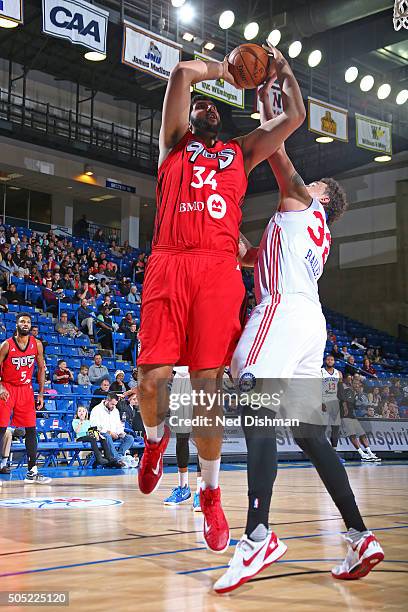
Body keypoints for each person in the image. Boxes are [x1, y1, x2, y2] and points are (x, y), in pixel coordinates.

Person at [214, 77, 384, 593]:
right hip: (310, 322)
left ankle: (258, 533)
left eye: (321, 185)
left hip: (284, 312)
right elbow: (251, 258)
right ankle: (359, 535)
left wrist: (271, 101)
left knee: (250, 393)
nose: (314, 182)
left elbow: (277, 151)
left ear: (324, 201)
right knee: (309, 433)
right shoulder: (302, 225)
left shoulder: (301, 202)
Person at [136, 42, 306, 553]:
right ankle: (153, 440)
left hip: (216, 270)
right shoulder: (173, 145)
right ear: (190, 116)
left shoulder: (240, 152)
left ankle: (210, 494)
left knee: (206, 391)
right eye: (200, 105)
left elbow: (294, 117)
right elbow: (181, 72)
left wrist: (281, 71)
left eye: (214, 106)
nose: (206, 107)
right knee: (152, 381)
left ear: (224, 120)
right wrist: (226, 70)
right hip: (169, 261)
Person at [0, 312, 51, 483]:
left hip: (26, 389)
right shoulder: (6, 345)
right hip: (7, 388)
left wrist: (41, 393)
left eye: (28, 322)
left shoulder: (37, 345)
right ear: (16, 324)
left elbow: (41, 369)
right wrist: (0, 387)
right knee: (1, 428)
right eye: (22, 321)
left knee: (31, 428)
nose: (25, 324)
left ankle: (32, 471)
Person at [162, 367, 202, 510]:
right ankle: (183, 487)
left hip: (200, 377)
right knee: (181, 438)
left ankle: (200, 491)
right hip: (180, 380)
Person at [340, 378, 381, 462]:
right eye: (355, 383)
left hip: (353, 416)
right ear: (351, 383)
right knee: (353, 435)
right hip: (345, 416)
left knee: (362, 434)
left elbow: (354, 405)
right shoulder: (348, 390)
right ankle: (362, 454)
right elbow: (343, 400)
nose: (356, 385)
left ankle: (369, 453)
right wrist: (345, 408)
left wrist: (361, 404)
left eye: (358, 384)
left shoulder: (356, 393)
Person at [89, 393, 134, 466]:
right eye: (112, 404)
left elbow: (118, 425)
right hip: (102, 435)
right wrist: (109, 432)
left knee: (130, 438)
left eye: (115, 404)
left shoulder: (115, 410)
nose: (114, 406)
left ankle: (120, 457)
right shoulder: (96, 410)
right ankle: (117, 459)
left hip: (115, 435)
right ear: (107, 401)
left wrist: (120, 433)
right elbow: (95, 426)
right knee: (107, 436)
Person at [321, 355, 343, 453]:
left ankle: (334, 451)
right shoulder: (320, 372)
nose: (330, 361)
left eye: (332, 360)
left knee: (335, 428)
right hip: (324, 401)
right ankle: (321, 450)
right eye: (328, 359)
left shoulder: (339, 373)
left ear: (334, 361)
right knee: (322, 427)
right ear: (325, 361)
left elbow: (341, 389)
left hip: (335, 402)